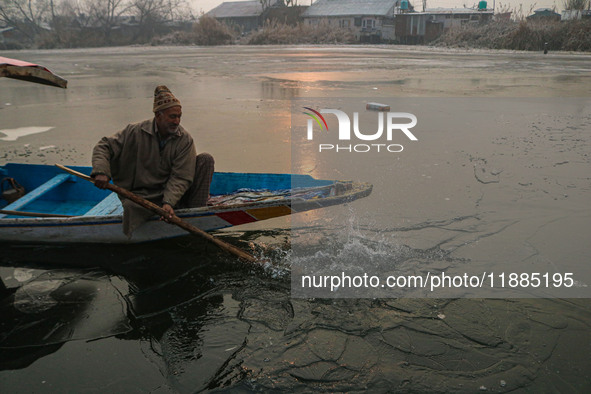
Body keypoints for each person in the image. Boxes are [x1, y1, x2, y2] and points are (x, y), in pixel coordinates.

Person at [91, 85, 214, 237]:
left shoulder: (184, 139)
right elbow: (104, 146)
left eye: (179, 116)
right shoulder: (135, 132)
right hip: (144, 197)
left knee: (205, 160)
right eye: (172, 116)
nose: (177, 121)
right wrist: (102, 172)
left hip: (172, 194)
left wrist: (168, 203)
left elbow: (181, 177)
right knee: (131, 206)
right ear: (158, 115)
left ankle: (196, 218)